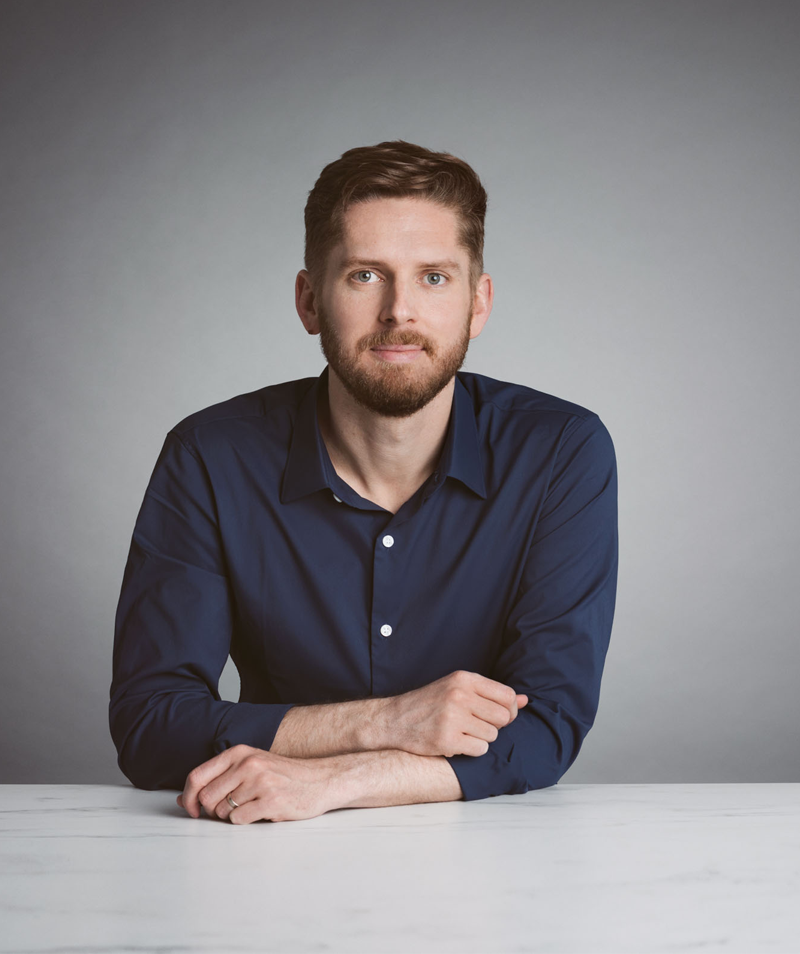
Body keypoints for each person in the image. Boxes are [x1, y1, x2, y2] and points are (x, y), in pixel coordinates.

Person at [109, 139, 618, 825]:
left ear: (478, 303)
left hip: (490, 864)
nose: (399, 311)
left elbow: (546, 726)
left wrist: (336, 780)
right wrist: (388, 721)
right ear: (310, 300)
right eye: (364, 276)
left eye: (435, 277)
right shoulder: (210, 455)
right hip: (259, 856)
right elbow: (151, 727)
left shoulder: (560, 453)